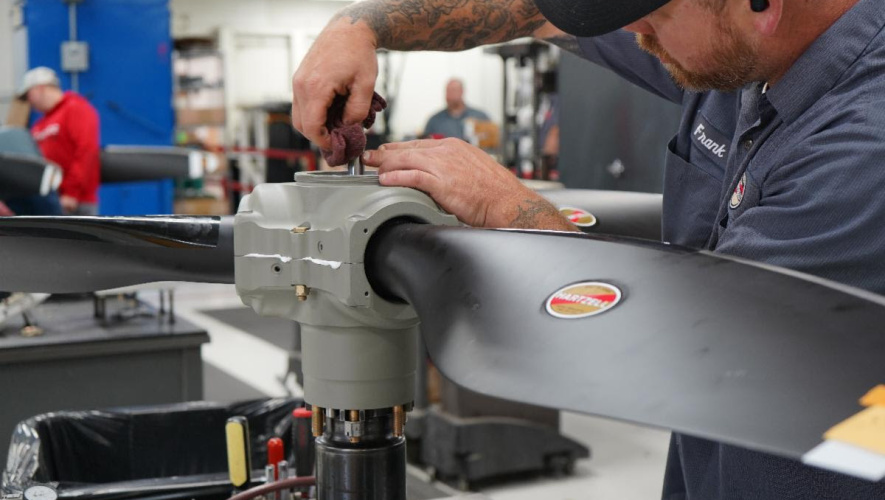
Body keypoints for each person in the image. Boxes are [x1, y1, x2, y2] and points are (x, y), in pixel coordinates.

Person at [290, 0, 885, 497]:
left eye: (653, 15)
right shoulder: (741, 43)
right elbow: (535, 10)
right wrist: (364, 25)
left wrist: (508, 208)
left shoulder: (861, 151)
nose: (633, 31)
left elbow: (692, 350)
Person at [19, 67, 100, 216]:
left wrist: (71, 192)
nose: (29, 102)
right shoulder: (39, 125)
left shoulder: (76, 109)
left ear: (40, 88)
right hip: (49, 201)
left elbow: (86, 151)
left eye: (29, 95)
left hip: (74, 203)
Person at [423, 78, 490, 141]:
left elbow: (492, 144)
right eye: (447, 91)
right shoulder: (435, 121)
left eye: (453, 90)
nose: (449, 95)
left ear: (462, 91)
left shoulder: (481, 117)